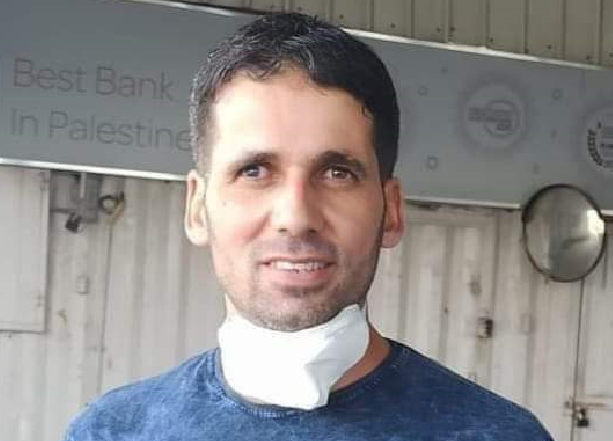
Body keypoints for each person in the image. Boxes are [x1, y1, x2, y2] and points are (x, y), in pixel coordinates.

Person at [63, 12, 554, 441]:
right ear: (197, 207)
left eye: (337, 173)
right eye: (254, 170)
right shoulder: (112, 432)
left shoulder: (497, 435)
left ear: (391, 211)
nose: (296, 216)